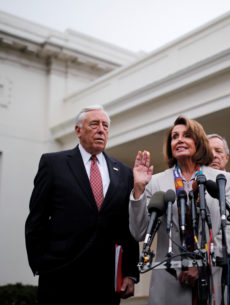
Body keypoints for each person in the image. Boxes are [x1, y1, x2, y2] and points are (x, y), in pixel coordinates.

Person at [25, 105, 140, 305]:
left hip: (105, 280)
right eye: (94, 124)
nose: (101, 130)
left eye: (105, 126)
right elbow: (37, 218)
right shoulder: (53, 164)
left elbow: (126, 225)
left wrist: (130, 272)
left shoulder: (123, 172)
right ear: (78, 130)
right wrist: (41, 264)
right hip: (60, 277)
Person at [129, 116, 230, 305]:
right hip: (170, 282)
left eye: (187, 135)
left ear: (199, 142)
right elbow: (139, 232)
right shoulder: (155, 182)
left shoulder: (221, 178)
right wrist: (138, 188)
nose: (179, 140)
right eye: (174, 136)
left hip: (211, 279)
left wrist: (203, 264)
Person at [207, 133, 230, 213]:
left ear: (227, 157)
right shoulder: (196, 186)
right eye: (209, 152)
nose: (214, 155)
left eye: (218, 151)